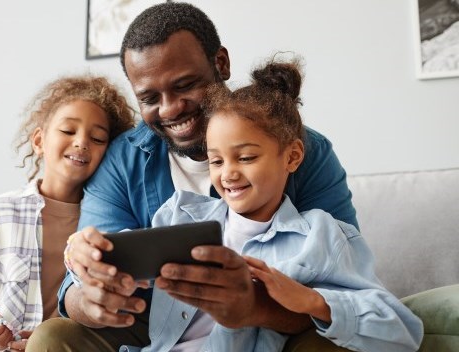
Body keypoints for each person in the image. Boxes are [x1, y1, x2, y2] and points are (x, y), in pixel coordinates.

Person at [29, 2, 358, 351]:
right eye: (150, 97)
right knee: (53, 337)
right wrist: (90, 300)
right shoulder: (121, 162)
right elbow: (75, 287)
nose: (170, 109)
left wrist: (252, 308)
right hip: (155, 324)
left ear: (221, 64)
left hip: (271, 327)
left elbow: (345, 297)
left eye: (185, 85)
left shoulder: (305, 152)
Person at [139, 59, 422, 351]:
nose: (228, 174)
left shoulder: (320, 236)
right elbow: (126, 269)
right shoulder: (178, 215)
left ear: (292, 157)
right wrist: (94, 258)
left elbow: (401, 332)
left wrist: (311, 301)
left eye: (246, 158)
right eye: (216, 161)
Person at [0, 75, 135, 352]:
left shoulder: (105, 223)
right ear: (39, 141)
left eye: (98, 137)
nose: (81, 142)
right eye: (68, 131)